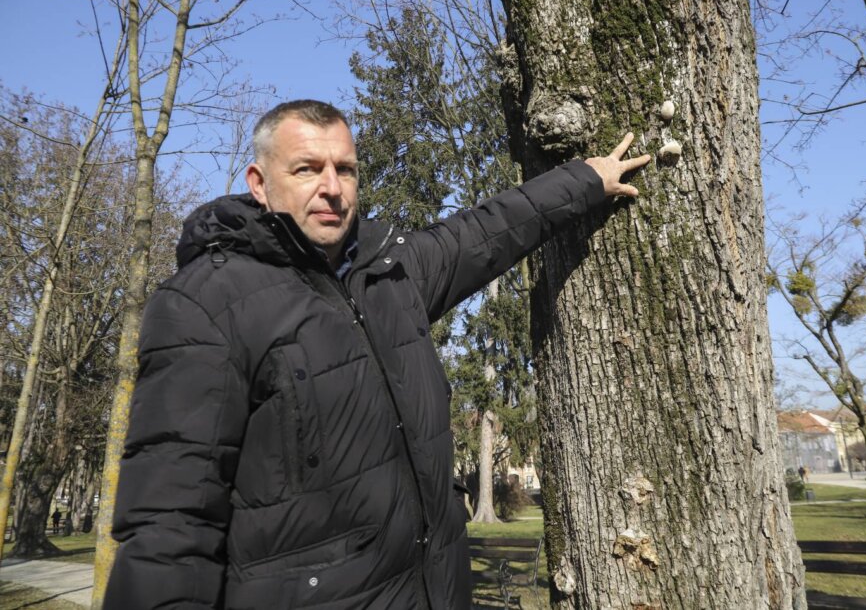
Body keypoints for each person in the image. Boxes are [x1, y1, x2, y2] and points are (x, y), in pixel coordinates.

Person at [106, 99, 650, 609]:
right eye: (306, 169)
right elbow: (170, 524)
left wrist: (584, 180)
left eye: (345, 170)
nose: (331, 188)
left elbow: (485, 231)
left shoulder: (390, 273)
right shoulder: (205, 304)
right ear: (260, 184)